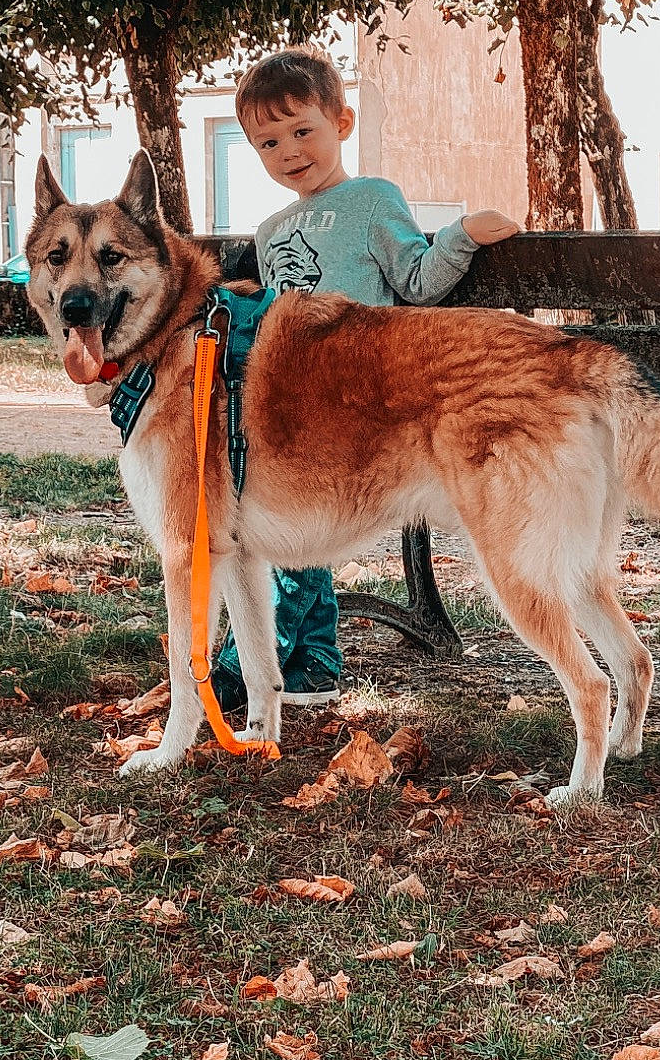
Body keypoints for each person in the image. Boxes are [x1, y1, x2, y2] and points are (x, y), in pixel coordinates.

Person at [211, 44, 521, 712]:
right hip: (288, 402)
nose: (289, 151)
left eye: (302, 131)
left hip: (361, 397)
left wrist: (461, 234)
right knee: (290, 522)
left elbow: (417, 280)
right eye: (269, 142)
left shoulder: (373, 199)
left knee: (288, 534)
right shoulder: (269, 232)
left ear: (341, 124)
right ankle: (316, 668)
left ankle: (241, 665)